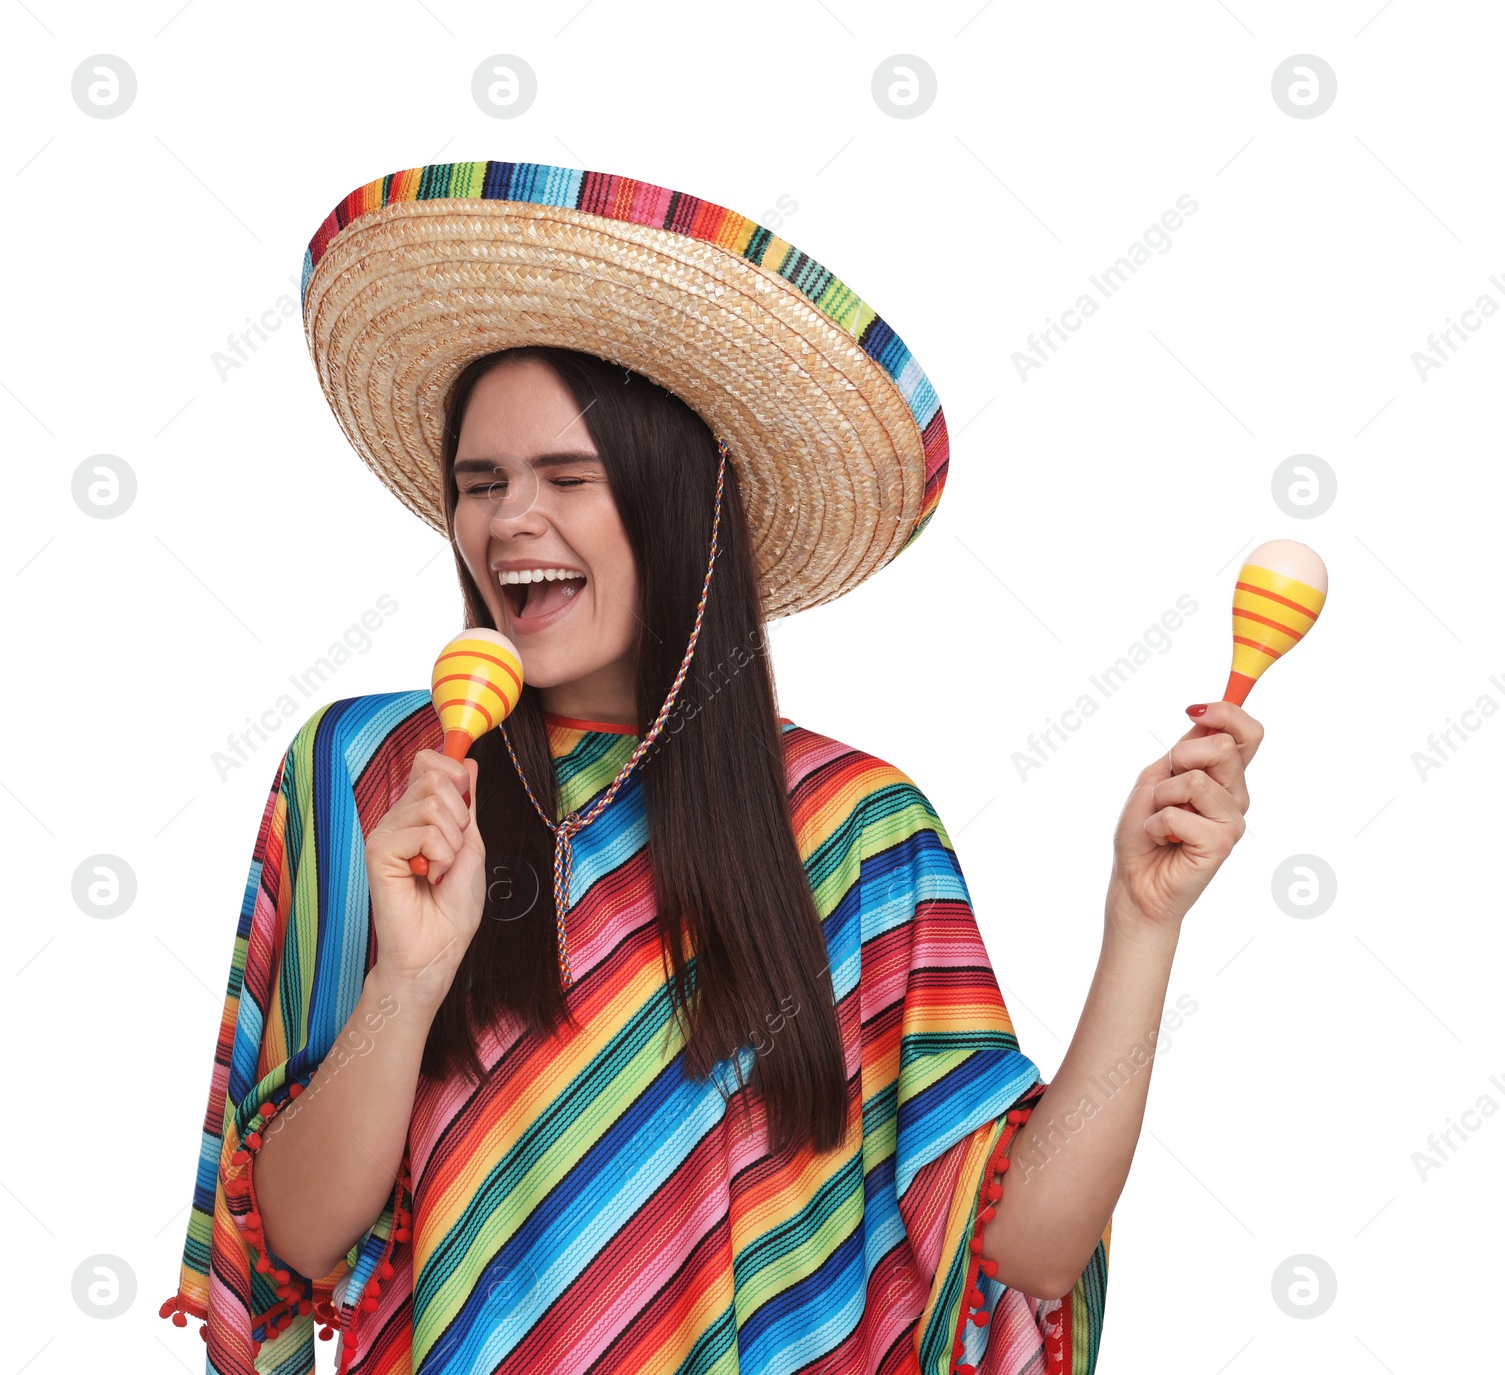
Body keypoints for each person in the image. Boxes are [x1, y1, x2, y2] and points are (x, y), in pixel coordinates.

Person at [161, 160, 1258, 1375]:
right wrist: (407, 984)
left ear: (682, 506)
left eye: (566, 478)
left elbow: (1027, 1252)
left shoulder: (855, 828)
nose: (508, 520)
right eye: (481, 484)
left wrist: (1140, 922)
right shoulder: (370, 774)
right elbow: (298, 1245)